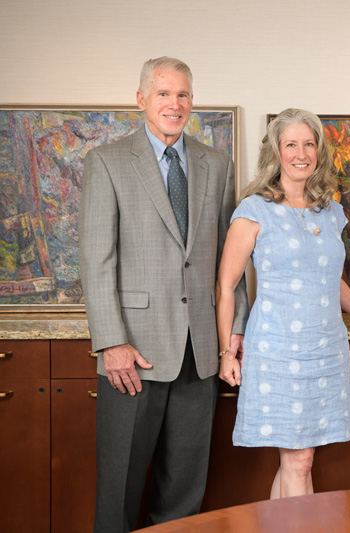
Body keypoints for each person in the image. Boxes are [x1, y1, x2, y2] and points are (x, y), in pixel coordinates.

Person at [79, 56, 249, 532]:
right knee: (120, 489)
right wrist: (111, 343)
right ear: (141, 100)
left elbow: (229, 262)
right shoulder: (108, 161)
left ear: (191, 101)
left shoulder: (216, 164)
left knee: (184, 491)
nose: (174, 104)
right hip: (133, 353)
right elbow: (97, 261)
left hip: (200, 354)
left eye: (183, 95)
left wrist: (234, 332)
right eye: (163, 94)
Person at [215, 108, 350, 499]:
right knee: (299, 461)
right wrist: (227, 351)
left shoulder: (331, 211)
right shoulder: (254, 210)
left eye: (309, 144)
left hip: (325, 350)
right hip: (277, 350)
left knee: (299, 461)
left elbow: (329, 281)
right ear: (276, 152)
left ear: (319, 151)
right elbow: (226, 286)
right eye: (291, 144)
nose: (301, 153)